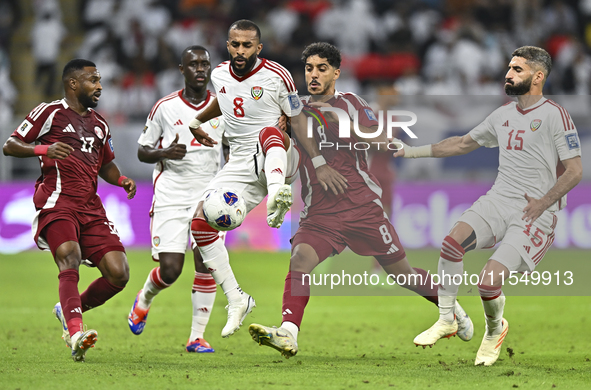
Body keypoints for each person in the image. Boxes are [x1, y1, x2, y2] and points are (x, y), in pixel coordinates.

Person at [247, 42, 473, 358]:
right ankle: (288, 333)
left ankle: (453, 310)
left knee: (402, 274)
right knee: (299, 259)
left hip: (362, 207)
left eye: (322, 68)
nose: (314, 75)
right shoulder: (295, 109)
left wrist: (348, 127)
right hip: (320, 212)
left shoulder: (351, 104)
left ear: (336, 73)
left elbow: (382, 141)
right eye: (309, 68)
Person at [396, 46, 582, 366]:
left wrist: (544, 202)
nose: (508, 74)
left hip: (534, 213)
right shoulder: (502, 115)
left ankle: (494, 330)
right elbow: (461, 143)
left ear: (538, 77)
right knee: (452, 244)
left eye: (518, 70)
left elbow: (575, 170)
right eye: (509, 68)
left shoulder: (555, 115)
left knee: (487, 282)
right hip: (498, 199)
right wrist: (412, 152)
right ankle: (447, 319)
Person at [187, 20, 345, 338]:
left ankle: (277, 195)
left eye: (248, 45)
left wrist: (316, 160)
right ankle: (237, 299)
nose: (241, 50)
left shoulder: (277, 75)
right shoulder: (218, 74)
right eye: (235, 44)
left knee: (269, 131)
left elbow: (297, 117)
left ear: (259, 47)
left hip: (281, 154)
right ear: (227, 45)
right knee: (199, 223)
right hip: (241, 164)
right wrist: (195, 120)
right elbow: (228, 99)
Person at [2, 59, 136, 362]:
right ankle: (75, 333)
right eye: (93, 80)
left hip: (91, 208)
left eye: (99, 80)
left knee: (119, 273)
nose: (99, 86)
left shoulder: (100, 124)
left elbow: (106, 164)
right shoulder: (48, 113)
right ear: (73, 84)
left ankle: (68, 310)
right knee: (70, 257)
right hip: (57, 202)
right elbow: (10, 145)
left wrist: (122, 179)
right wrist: (43, 149)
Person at [127, 46, 225, 353]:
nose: (199, 68)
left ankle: (197, 336)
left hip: (208, 195)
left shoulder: (223, 107)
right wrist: (164, 153)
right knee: (170, 270)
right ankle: (143, 299)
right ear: (181, 70)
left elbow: (233, 148)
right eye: (192, 64)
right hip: (171, 194)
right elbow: (143, 150)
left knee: (206, 263)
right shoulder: (165, 107)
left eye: (204, 63)